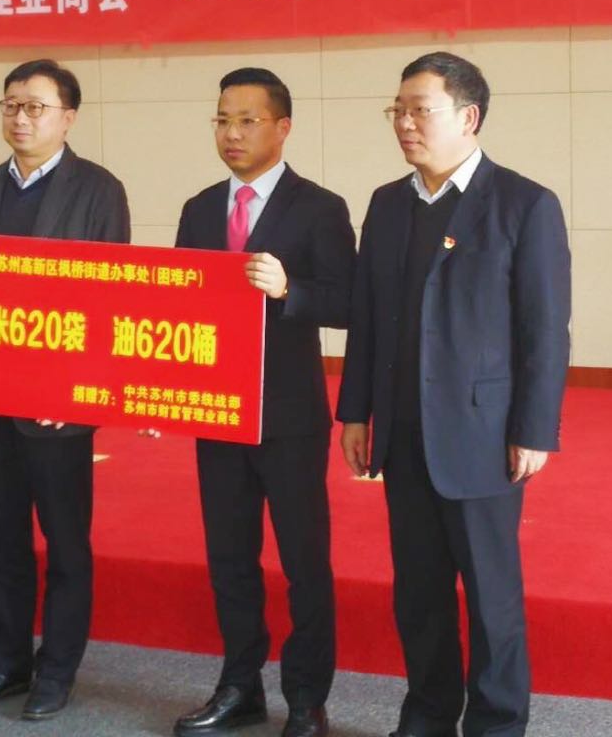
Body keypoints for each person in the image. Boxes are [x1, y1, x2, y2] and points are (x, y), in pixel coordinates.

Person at [337, 52, 570, 737]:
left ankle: (496, 725)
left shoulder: (524, 204)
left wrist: (534, 428)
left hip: (482, 433)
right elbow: (368, 317)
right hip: (403, 431)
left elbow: (544, 329)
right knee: (419, 594)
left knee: (491, 598)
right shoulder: (388, 204)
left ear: (468, 117)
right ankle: (428, 717)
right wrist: (355, 412)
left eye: (421, 110)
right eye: (398, 110)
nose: (405, 123)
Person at [0, 58, 130, 721]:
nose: (21, 118)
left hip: (57, 407)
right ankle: (6, 662)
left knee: (65, 543)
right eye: (11, 105)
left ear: (68, 117)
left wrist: (72, 390)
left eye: (36, 107)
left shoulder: (98, 190)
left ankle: (57, 670)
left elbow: (109, 300)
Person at [172, 67, 355, 737]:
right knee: (229, 558)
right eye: (223, 120)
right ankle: (239, 685)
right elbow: (178, 308)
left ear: (283, 127)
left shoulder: (319, 207)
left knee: (304, 562)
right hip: (215, 413)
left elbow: (348, 301)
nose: (232, 133)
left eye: (247, 121)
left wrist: (288, 290)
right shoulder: (198, 209)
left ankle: (306, 698)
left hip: (288, 418)